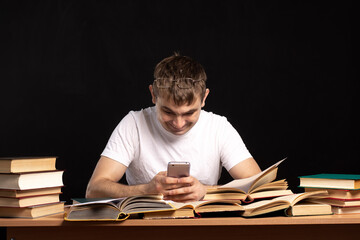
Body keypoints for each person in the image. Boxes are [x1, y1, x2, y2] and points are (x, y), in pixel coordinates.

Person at [86, 53, 261, 202]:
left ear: (204, 98)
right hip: (144, 230)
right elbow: (93, 190)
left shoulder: (218, 127)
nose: (178, 123)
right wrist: (146, 190)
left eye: (189, 113)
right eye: (168, 112)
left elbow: (259, 187)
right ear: (153, 95)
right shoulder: (134, 123)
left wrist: (206, 192)